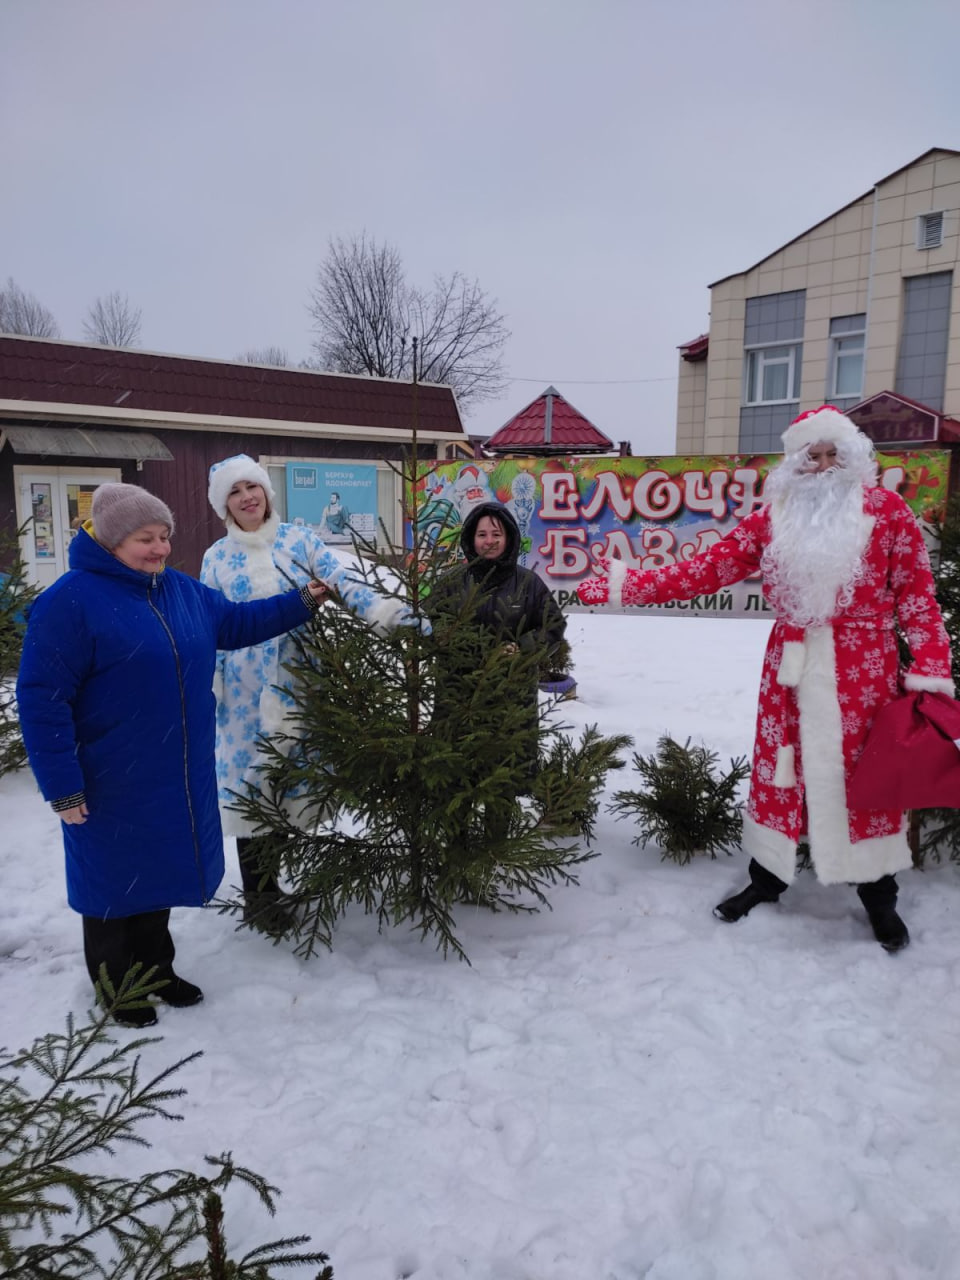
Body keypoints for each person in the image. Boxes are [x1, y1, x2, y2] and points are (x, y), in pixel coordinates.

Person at [577, 406, 954, 952]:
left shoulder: (889, 512)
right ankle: (768, 877)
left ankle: (880, 896)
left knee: (866, 776)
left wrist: (930, 670)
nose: (823, 467)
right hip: (792, 666)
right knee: (782, 768)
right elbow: (709, 568)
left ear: (852, 459)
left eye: (833, 456)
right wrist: (628, 587)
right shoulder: (774, 514)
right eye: (812, 457)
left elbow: (917, 596)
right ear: (794, 464)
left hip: (864, 671)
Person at [16, 483, 330, 1027]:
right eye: (145, 539)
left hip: (174, 769)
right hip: (108, 776)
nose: (160, 548)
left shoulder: (181, 592)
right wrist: (62, 785)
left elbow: (239, 624)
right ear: (111, 541)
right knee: (113, 885)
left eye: (164, 536)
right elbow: (42, 700)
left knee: (155, 874)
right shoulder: (68, 603)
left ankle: (157, 968)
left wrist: (303, 600)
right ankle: (116, 986)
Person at [200, 455, 416, 928]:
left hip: (299, 683)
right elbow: (207, 627)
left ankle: (281, 884)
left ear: (266, 493)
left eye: (252, 488)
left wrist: (384, 611)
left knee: (291, 786)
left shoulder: (300, 540)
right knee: (249, 790)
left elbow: (343, 581)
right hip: (240, 697)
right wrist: (209, 686)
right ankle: (261, 899)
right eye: (235, 492)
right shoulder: (215, 558)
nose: (247, 498)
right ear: (224, 505)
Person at [428, 502, 567, 796]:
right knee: (457, 788)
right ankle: (460, 842)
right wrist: (449, 639)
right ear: (470, 538)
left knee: (502, 789)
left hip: (510, 704)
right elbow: (430, 623)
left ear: (509, 538)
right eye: (481, 534)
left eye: (496, 534)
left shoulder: (529, 584)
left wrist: (524, 648)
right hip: (458, 701)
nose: (489, 541)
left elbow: (552, 627)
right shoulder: (451, 583)